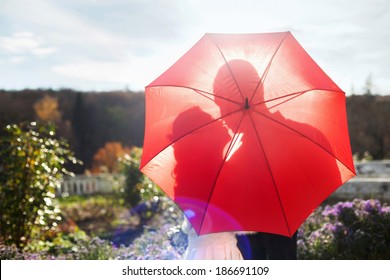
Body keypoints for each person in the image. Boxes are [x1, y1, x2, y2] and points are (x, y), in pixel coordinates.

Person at [171, 107, 243, 260]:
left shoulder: (187, 176)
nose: (222, 124)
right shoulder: (220, 175)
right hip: (219, 253)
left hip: (201, 252)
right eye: (215, 125)